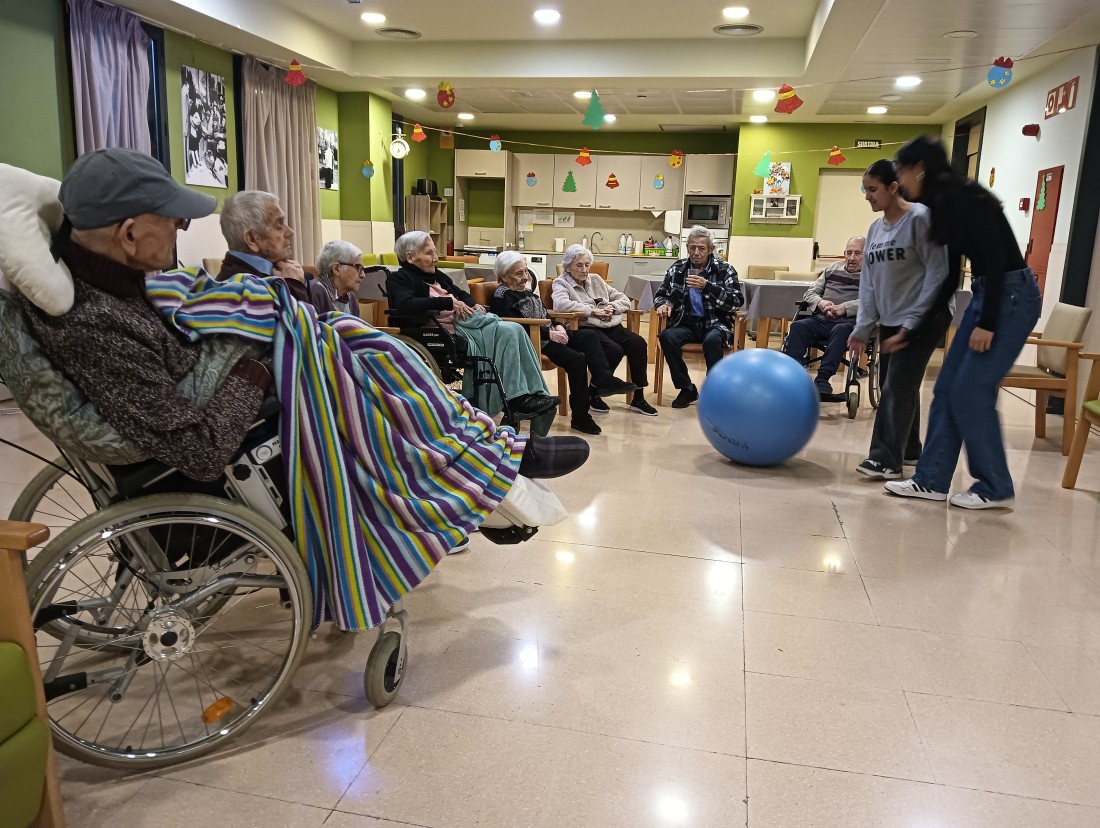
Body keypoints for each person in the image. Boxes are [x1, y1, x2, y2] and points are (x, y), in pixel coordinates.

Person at [13, 148, 587, 517]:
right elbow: (198, 448)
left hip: (232, 396)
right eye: (172, 218)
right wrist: (255, 364)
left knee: (370, 351)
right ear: (129, 234)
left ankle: (489, 455)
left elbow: (198, 325)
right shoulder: (100, 322)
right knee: (364, 366)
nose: (184, 225)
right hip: (233, 426)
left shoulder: (127, 286)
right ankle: (484, 471)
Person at [884, 135, 1042, 509]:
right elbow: (949, 278)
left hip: (1010, 297)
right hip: (987, 294)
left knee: (971, 391)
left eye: (902, 172)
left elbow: (995, 258)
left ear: (919, 169)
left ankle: (994, 486)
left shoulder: (965, 197)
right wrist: (913, 327)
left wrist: (988, 322)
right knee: (946, 388)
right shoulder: (940, 205)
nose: (900, 181)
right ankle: (931, 480)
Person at [848, 159, 952, 480]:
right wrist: (863, 327)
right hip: (893, 317)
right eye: (865, 189)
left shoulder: (919, 219)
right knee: (895, 383)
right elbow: (869, 283)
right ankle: (909, 450)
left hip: (925, 316)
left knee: (897, 386)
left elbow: (938, 273)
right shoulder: (875, 229)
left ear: (893, 188)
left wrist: (914, 322)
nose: (867, 196)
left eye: (873, 189)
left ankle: (885, 459)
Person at [386, 231, 559, 422]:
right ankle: (517, 398)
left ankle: (533, 392)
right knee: (510, 331)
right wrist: (448, 303)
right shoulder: (399, 279)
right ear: (410, 257)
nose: (435, 258)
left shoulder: (437, 275)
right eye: (429, 253)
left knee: (515, 329)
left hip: (464, 322)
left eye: (435, 252)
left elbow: (462, 293)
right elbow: (406, 304)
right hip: (441, 329)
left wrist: (472, 304)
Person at [488, 251, 638, 435]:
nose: (525, 277)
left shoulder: (525, 292)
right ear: (504, 276)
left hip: (547, 332)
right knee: (576, 360)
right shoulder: (502, 296)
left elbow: (544, 314)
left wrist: (558, 326)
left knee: (589, 335)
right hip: (535, 341)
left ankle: (603, 379)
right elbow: (514, 326)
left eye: (526, 271)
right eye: (519, 273)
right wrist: (549, 333)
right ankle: (581, 417)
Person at [551, 244, 657, 416]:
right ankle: (594, 392)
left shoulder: (596, 280)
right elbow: (561, 304)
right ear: (568, 267)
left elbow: (624, 299)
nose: (584, 269)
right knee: (614, 349)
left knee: (638, 343)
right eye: (579, 265)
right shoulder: (561, 283)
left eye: (587, 265)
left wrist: (611, 307)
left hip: (610, 324)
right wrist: (593, 311)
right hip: (587, 327)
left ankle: (638, 397)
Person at [652, 225, 743, 408]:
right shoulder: (677, 269)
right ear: (687, 248)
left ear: (711, 249)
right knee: (666, 337)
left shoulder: (725, 269)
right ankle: (687, 388)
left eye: (701, 248)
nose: (696, 252)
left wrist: (707, 287)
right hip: (685, 323)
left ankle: (714, 389)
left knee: (712, 340)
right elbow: (662, 295)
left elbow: (736, 302)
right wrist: (663, 304)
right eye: (692, 247)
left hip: (716, 323)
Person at [216, 190, 335, 312]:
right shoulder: (242, 291)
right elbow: (304, 323)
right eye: (279, 224)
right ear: (252, 239)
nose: (290, 232)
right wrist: (294, 287)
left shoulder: (281, 271)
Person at [782, 236, 865, 401]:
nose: (852, 258)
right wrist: (821, 303)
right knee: (798, 327)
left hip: (849, 323)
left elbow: (873, 301)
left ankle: (822, 380)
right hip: (822, 319)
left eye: (857, 253)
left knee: (841, 330)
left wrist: (844, 308)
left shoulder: (873, 275)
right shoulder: (832, 269)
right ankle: (794, 377)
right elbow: (810, 293)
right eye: (848, 253)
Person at [315, 239, 365, 316]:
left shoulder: (350, 296)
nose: (363, 275)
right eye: (358, 267)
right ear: (336, 269)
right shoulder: (314, 293)